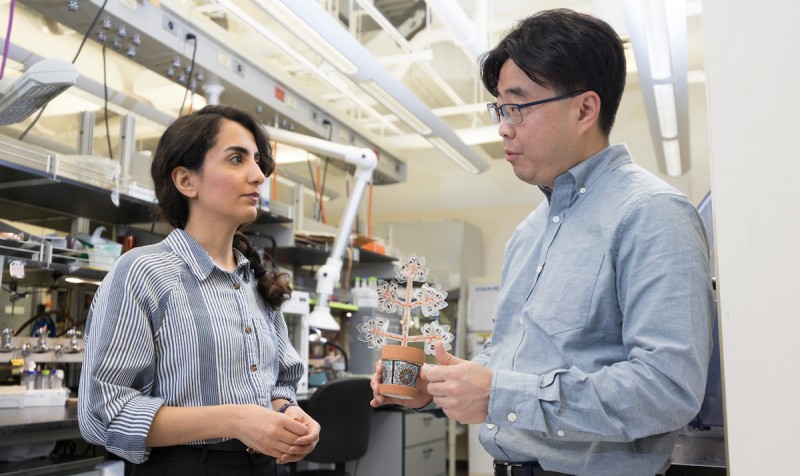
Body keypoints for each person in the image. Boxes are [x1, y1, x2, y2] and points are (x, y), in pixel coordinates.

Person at [370, 9, 714, 476]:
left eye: (518, 107)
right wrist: (443, 383)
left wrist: (497, 394)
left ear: (585, 109)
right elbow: (515, 356)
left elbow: (667, 388)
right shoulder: (531, 231)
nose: (503, 128)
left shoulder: (651, 214)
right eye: (499, 109)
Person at [78, 105, 321, 475]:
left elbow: (276, 387)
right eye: (236, 158)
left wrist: (290, 415)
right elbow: (105, 412)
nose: (258, 175)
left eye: (257, 161)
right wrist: (233, 419)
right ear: (186, 181)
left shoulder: (254, 279)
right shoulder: (143, 272)